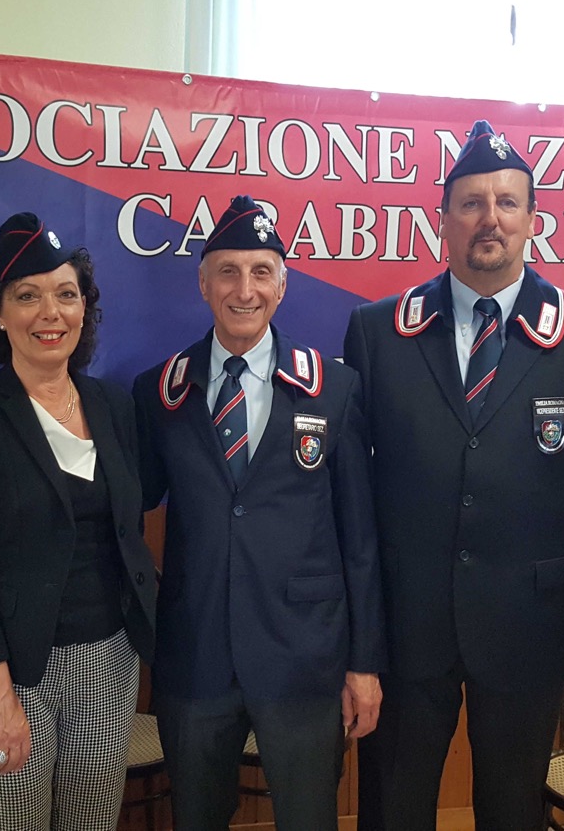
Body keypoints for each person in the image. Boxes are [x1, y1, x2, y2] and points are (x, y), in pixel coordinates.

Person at [343, 120, 564, 831]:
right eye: (471, 203)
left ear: (532, 219)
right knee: (393, 808)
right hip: (406, 620)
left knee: (513, 811)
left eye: (507, 202)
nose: (490, 218)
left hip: (530, 623)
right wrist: (358, 630)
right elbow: (353, 495)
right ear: (442, 221)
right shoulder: (376, 332)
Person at [133, 195, 385, 831]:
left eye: (261, 272)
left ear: (282, 284)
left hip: (305, 656)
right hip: (195, 655)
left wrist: (364, 664)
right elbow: (129, 508)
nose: (244, 290)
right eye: (227, 271)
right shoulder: (160, 391)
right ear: (203, 283)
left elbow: (360, 540)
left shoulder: (334, 388)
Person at [0, 212, 158, 830]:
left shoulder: (113, 405)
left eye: (66, 294)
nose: (50, 312)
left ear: (84, 308)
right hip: (10, 672)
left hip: (108, 663)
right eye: (27, 296)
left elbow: (126, 532)